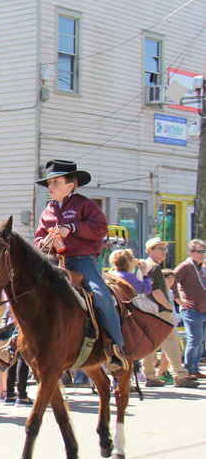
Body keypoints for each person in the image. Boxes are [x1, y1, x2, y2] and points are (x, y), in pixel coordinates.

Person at [33, 159, 127, 373]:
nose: (51, 187)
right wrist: (48, 242)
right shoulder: (47, 211)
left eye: (56, 182)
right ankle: (15, 343)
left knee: (101, 296)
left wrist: (72, 228)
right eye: (49, 183)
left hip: (82, 261)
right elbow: (37, 241)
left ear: (70, 185)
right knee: (29, 291)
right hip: (54, 263)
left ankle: (115, 349)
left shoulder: (85, 204)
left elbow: (101, 228)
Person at [139, 238, 198, 388]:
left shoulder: (145, 266)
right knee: (171, 343)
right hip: (159, 310)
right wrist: (168, 307)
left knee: (149, 345)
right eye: (159, 248)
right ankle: (180, 375)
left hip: (148, 310)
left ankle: (150, 376)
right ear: (150, 251)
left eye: (164, 248)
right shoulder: (154, 267)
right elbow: (156, 290)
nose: (164, 251)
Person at [172, 239, 206, 379]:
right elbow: (171, 282)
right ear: (190, 252)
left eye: (204, 251)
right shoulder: (185, 267)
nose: (203, 254)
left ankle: (194, 368)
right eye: (200, 252)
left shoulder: (201, 267)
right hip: (192, 310)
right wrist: (179, 300)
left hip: (203, 309)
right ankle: (189, 369)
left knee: (201, 341)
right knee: (195, 340)